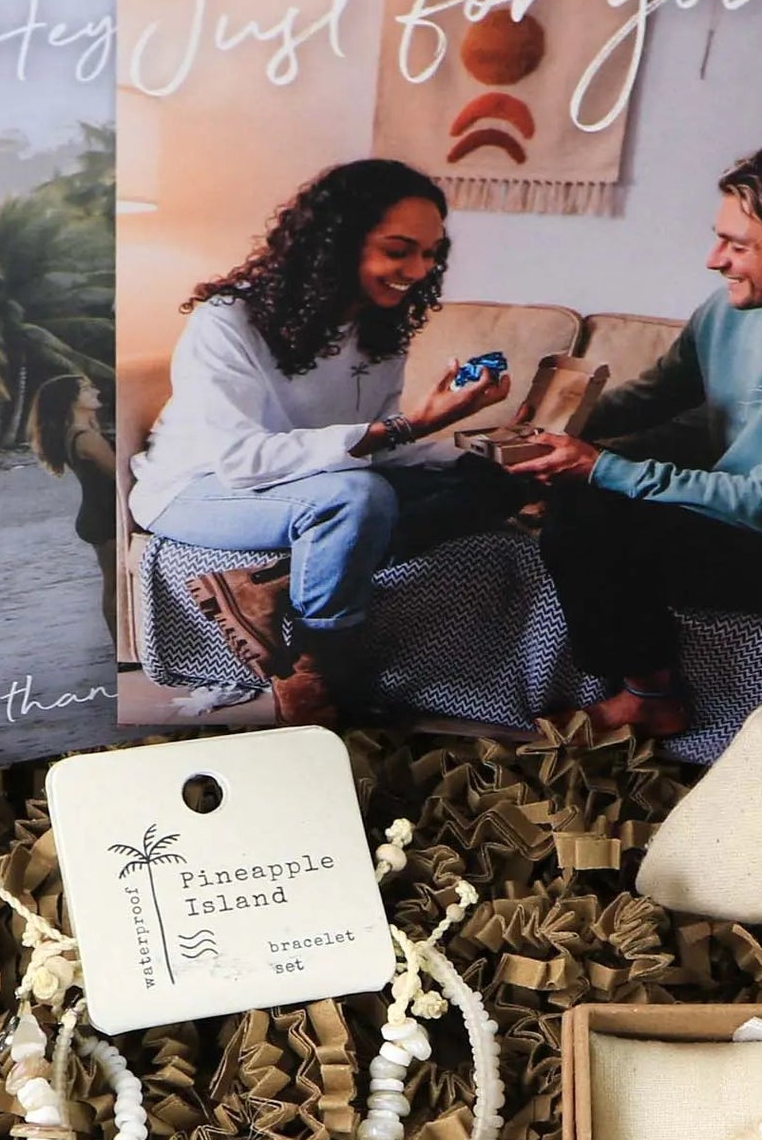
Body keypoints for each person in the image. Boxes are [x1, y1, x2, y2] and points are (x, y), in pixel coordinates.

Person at [508, 138, 762, 738]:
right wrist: (555, 424)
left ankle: (651, 699)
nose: (714, 260)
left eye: (738, 246)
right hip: (727, 513)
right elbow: (657, 397)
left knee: (587, 508)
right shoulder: (728, 311)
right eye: (720, 238)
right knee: (506, 476)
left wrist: (598, 468)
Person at [128, 159, 519, 724]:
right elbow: (244, 461)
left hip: (313, 484)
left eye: (430, 254)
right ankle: (313, 668)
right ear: (336, 243)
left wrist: (473, 453)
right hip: (198, 486)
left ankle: (266, 588)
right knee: (357, 497)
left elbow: (376, 443)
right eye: (398, 250)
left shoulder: (382, 326)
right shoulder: (228, 321)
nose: (417, 270)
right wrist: (415, 424)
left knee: (488, 482)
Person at [27, 372, 118, 645]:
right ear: (71, 400)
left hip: (97, 514)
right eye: (86, 389)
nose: (95, 392)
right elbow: (120, 475)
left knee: (113, 585)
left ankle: (122, 648)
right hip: (104, 516)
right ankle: (123, 650)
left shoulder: (76, 434)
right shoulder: (86, 438)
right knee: (116, 587)